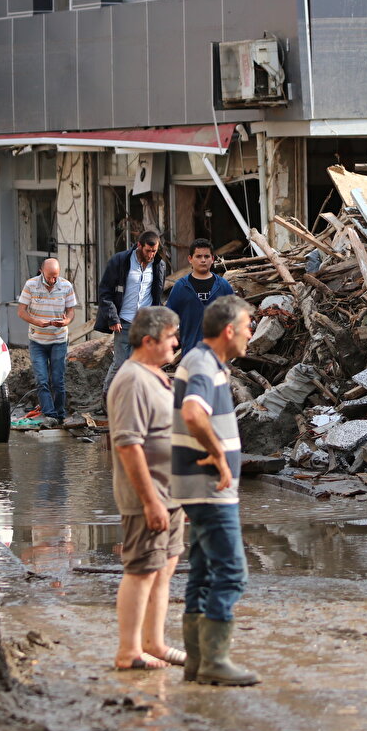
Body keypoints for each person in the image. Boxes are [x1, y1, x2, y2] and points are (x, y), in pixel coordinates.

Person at [172, 295, 259, 687]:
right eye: (247, 327)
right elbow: (193, 413)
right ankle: (215, 660)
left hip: (198, 485)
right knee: (232, 571)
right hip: (209, 486)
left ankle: (196, 660)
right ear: (228, 331)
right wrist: (220, 458)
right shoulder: (204, 364)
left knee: (205, 572)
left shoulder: (205, 362)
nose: (250, 334)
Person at [108, 306, 187, 669]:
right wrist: (151, 500)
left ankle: (154, 642)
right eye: (170, 336)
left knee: (164, 567)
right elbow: (128, 445)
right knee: (141, 569)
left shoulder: (155, 375)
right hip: (148, 498)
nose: (176, 342)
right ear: (147, 341)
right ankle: (129, 651)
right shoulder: (132, 380)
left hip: (170, 494)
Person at [97, 231, 168, 401]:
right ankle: (109, 400)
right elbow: (104, 292)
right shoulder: (120, 261)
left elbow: (157, 294)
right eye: (148, 251)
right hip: (124, 321)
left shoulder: (159, 265)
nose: (151, 255)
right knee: (122, 364)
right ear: (139, 246)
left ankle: (132, 401)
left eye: (154, 251)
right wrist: (113, 317)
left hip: (145, 323)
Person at [17, 258, 78, 428]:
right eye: (50, 277)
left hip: (59, 340)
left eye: (56, 277)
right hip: (37, 340)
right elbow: (21, 311)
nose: (53, 280)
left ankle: (60, 414)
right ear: (41, 271)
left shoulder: (66, 286)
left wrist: (66, 322)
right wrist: (36, 321)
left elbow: (71, 311)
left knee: (58, 379)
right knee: (42, 379)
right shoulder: (31, 285)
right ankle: (49, 414)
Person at [166, 238, 235, 353]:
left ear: (212, 259)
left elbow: (235, 317)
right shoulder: (181, 287)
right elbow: (168, 318)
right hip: (190, 352)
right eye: (198, 256)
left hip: (218, 355)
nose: (203, 260)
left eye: (207, 257)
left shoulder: (223, 286)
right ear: (190, 259)